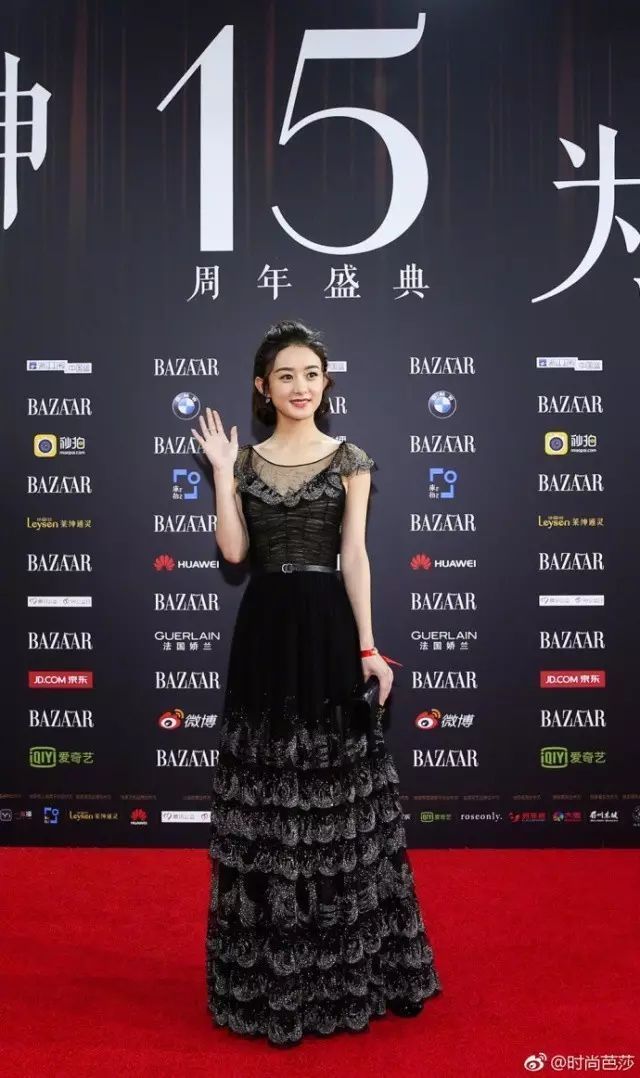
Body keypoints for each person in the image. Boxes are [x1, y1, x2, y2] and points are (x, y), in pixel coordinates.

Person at [192, 319, 442, 1046]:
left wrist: (368, 647)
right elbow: (234, 553)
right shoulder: (245, 461)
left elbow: (354, 557)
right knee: (270, 791)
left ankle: (342, 969)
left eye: (311, 374)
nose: (300, 386)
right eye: (286, 375)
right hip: (265, 631)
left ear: (325, 384)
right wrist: (222, 472)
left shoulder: (349, 458)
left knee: (336, 793)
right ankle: (273, 972)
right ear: (262, 387)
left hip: (328, 626)